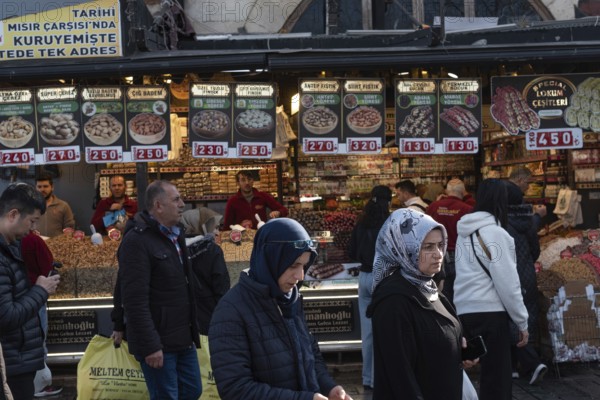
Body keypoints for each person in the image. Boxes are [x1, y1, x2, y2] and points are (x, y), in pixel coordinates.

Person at [208, 218, 353, 400]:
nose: (300, 275)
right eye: (293, 265)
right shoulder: (231, 311)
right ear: (271, 260)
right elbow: (235, 389)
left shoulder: (290, 299)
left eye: (304, 265)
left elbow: (310, 356)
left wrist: (329, 388)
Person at [366, 208, 477, 399]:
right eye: (427, 247)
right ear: (404, 248)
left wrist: (458, 349)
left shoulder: (427, 286)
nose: (438, 254)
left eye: (440, 245)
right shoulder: (394, 301)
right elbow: (400, 375)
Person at [118, 180, 201, 400]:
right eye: (176, 199)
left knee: (193, 391)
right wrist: (150, 345)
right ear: (158, 205)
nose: (182, 204)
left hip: (183, 336)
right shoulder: (136, 241)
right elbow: (134, 300)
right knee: (166, 395)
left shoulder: (176, 233)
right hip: (159, 343)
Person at [454, 179, 529, 400]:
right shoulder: (497, 234)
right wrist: (522, 321)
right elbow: (508, 282)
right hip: (490, 312)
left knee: (466, 372)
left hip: (465, 310)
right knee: (497, 378)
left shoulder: (463, 232)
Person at [0, 183, 60, 400]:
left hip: (19, 359)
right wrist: (40, 291)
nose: (33, 229)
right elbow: (6, 316)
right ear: (13, 214)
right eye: (32, 221)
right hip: (10, 364)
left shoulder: (13, 245)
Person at [347, 185, 392, 392]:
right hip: (383, 278)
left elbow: (352, 251)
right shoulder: (389, 222)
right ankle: (381, 377)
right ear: (388, 201)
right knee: (385, 330)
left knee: (368, 334)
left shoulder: (362, 222)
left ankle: (368, 378)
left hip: (364, 277)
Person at [505, 182, 548, 384]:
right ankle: (517, 365)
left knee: (508, 317)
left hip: (508, 275)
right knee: (526, 317)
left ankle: (526, 363)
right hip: (527, 275)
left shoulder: (500, 222)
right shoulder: (529, 220)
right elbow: (535, 250)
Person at [20, 232, 63, 398]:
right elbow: (46, 266)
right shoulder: (32, 239)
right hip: (35, 294)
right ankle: (39, 385)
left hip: (18, 299)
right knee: (37, 338)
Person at [426, 178, 473, 303]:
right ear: (463, 192)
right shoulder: (467, 209)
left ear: (447, 191)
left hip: (436, 255)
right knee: (461, 293)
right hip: (460, 256)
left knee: (439, 294)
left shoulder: (433, 207)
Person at [222, 170, 288, 230]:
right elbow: (227, 226)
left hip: (261, 235)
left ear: (253, 181)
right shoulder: (233, 201)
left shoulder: (263, 196)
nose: (247, 182)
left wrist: (278, 212)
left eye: (249, 179)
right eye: (243, 180)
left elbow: (284, 210)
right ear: (238, 183)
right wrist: (239, 226)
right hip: (242, 238)